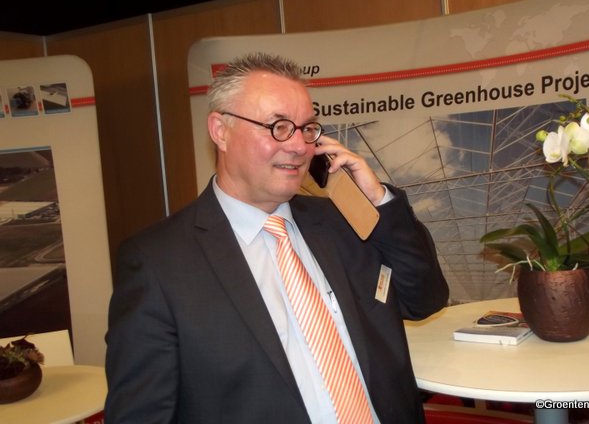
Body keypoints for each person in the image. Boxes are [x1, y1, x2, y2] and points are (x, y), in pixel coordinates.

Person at [104, 52, 449, 423]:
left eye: (307, 128)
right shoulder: (158, 262)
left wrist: (377, 200)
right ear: (220, 131)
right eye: (278, 126)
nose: (299, 146)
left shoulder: (341, 222)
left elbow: (424, 299)